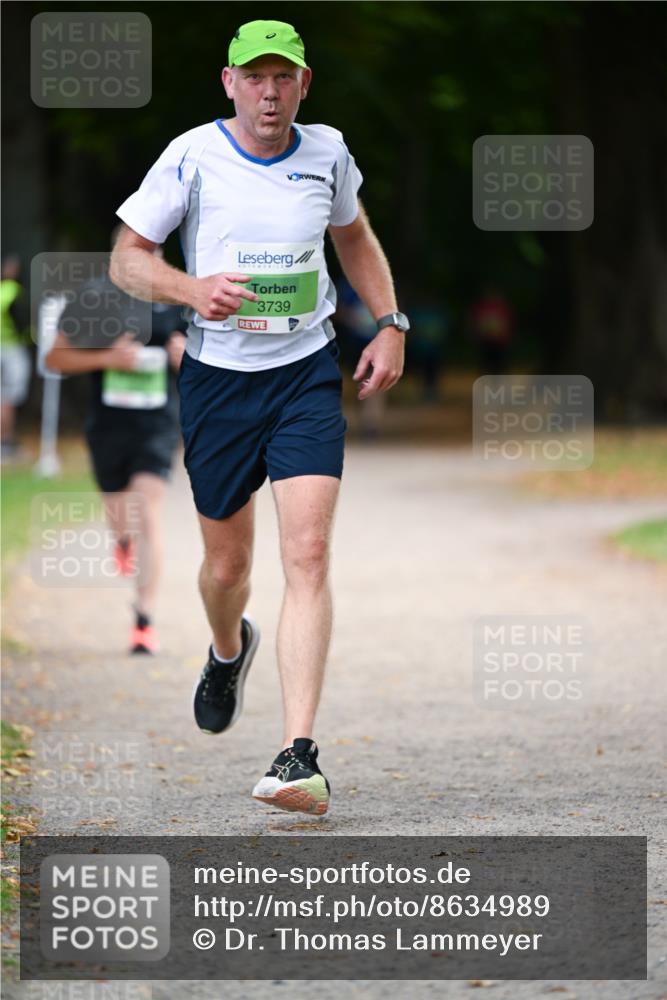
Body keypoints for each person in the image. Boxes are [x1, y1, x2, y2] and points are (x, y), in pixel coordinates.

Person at [110, 19, 410, 816]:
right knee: (228, 571)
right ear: (229, 82)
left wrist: (388, 321)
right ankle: (225, 646)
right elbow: (127, 258)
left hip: (304, 374)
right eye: (255, 77)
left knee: (306, 553)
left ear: (303, 84)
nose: (269, 92)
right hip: (217, 382)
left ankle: (297, 754)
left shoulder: (327, 153)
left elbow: (354, 236)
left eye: (284, 77)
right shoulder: (190, 156)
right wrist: (189, 290)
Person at [45, 251, 187, 654]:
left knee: (147, 513)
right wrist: (108, 357)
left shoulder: (177, 298)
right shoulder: (93, 298)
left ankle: (144, 619)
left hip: (158, 425)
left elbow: (212, 360)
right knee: (122, 516)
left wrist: (186, 357)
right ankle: (121, 540)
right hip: (107, 428)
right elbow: (55, 358)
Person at [1, 256, 32, 463]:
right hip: (11, 349)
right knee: (8, 398)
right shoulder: (15, 293)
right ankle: (5, 443)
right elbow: (22, 323)